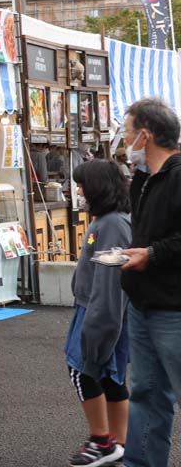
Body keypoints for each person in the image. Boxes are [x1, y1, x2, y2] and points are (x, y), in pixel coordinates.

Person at [118, 98, 181, 467]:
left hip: (173, 309)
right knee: (146, 393)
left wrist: (151, 254)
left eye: (128, 133)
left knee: (156, 392)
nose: (125, 141)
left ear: (145, 135)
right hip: (142, 305)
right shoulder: (143, 179)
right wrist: (135, 253)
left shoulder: (177, 175)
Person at [64, 159, 131, 466]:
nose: (78, 190)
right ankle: (118, 443)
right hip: (100, 310)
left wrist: (98, 326)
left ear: (97, 187)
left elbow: (109, 282)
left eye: (81, 185)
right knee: (110, 377)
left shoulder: (112, 225)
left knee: (84, 371)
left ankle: (102, 441)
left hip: (98, 312)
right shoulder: (107, 221)